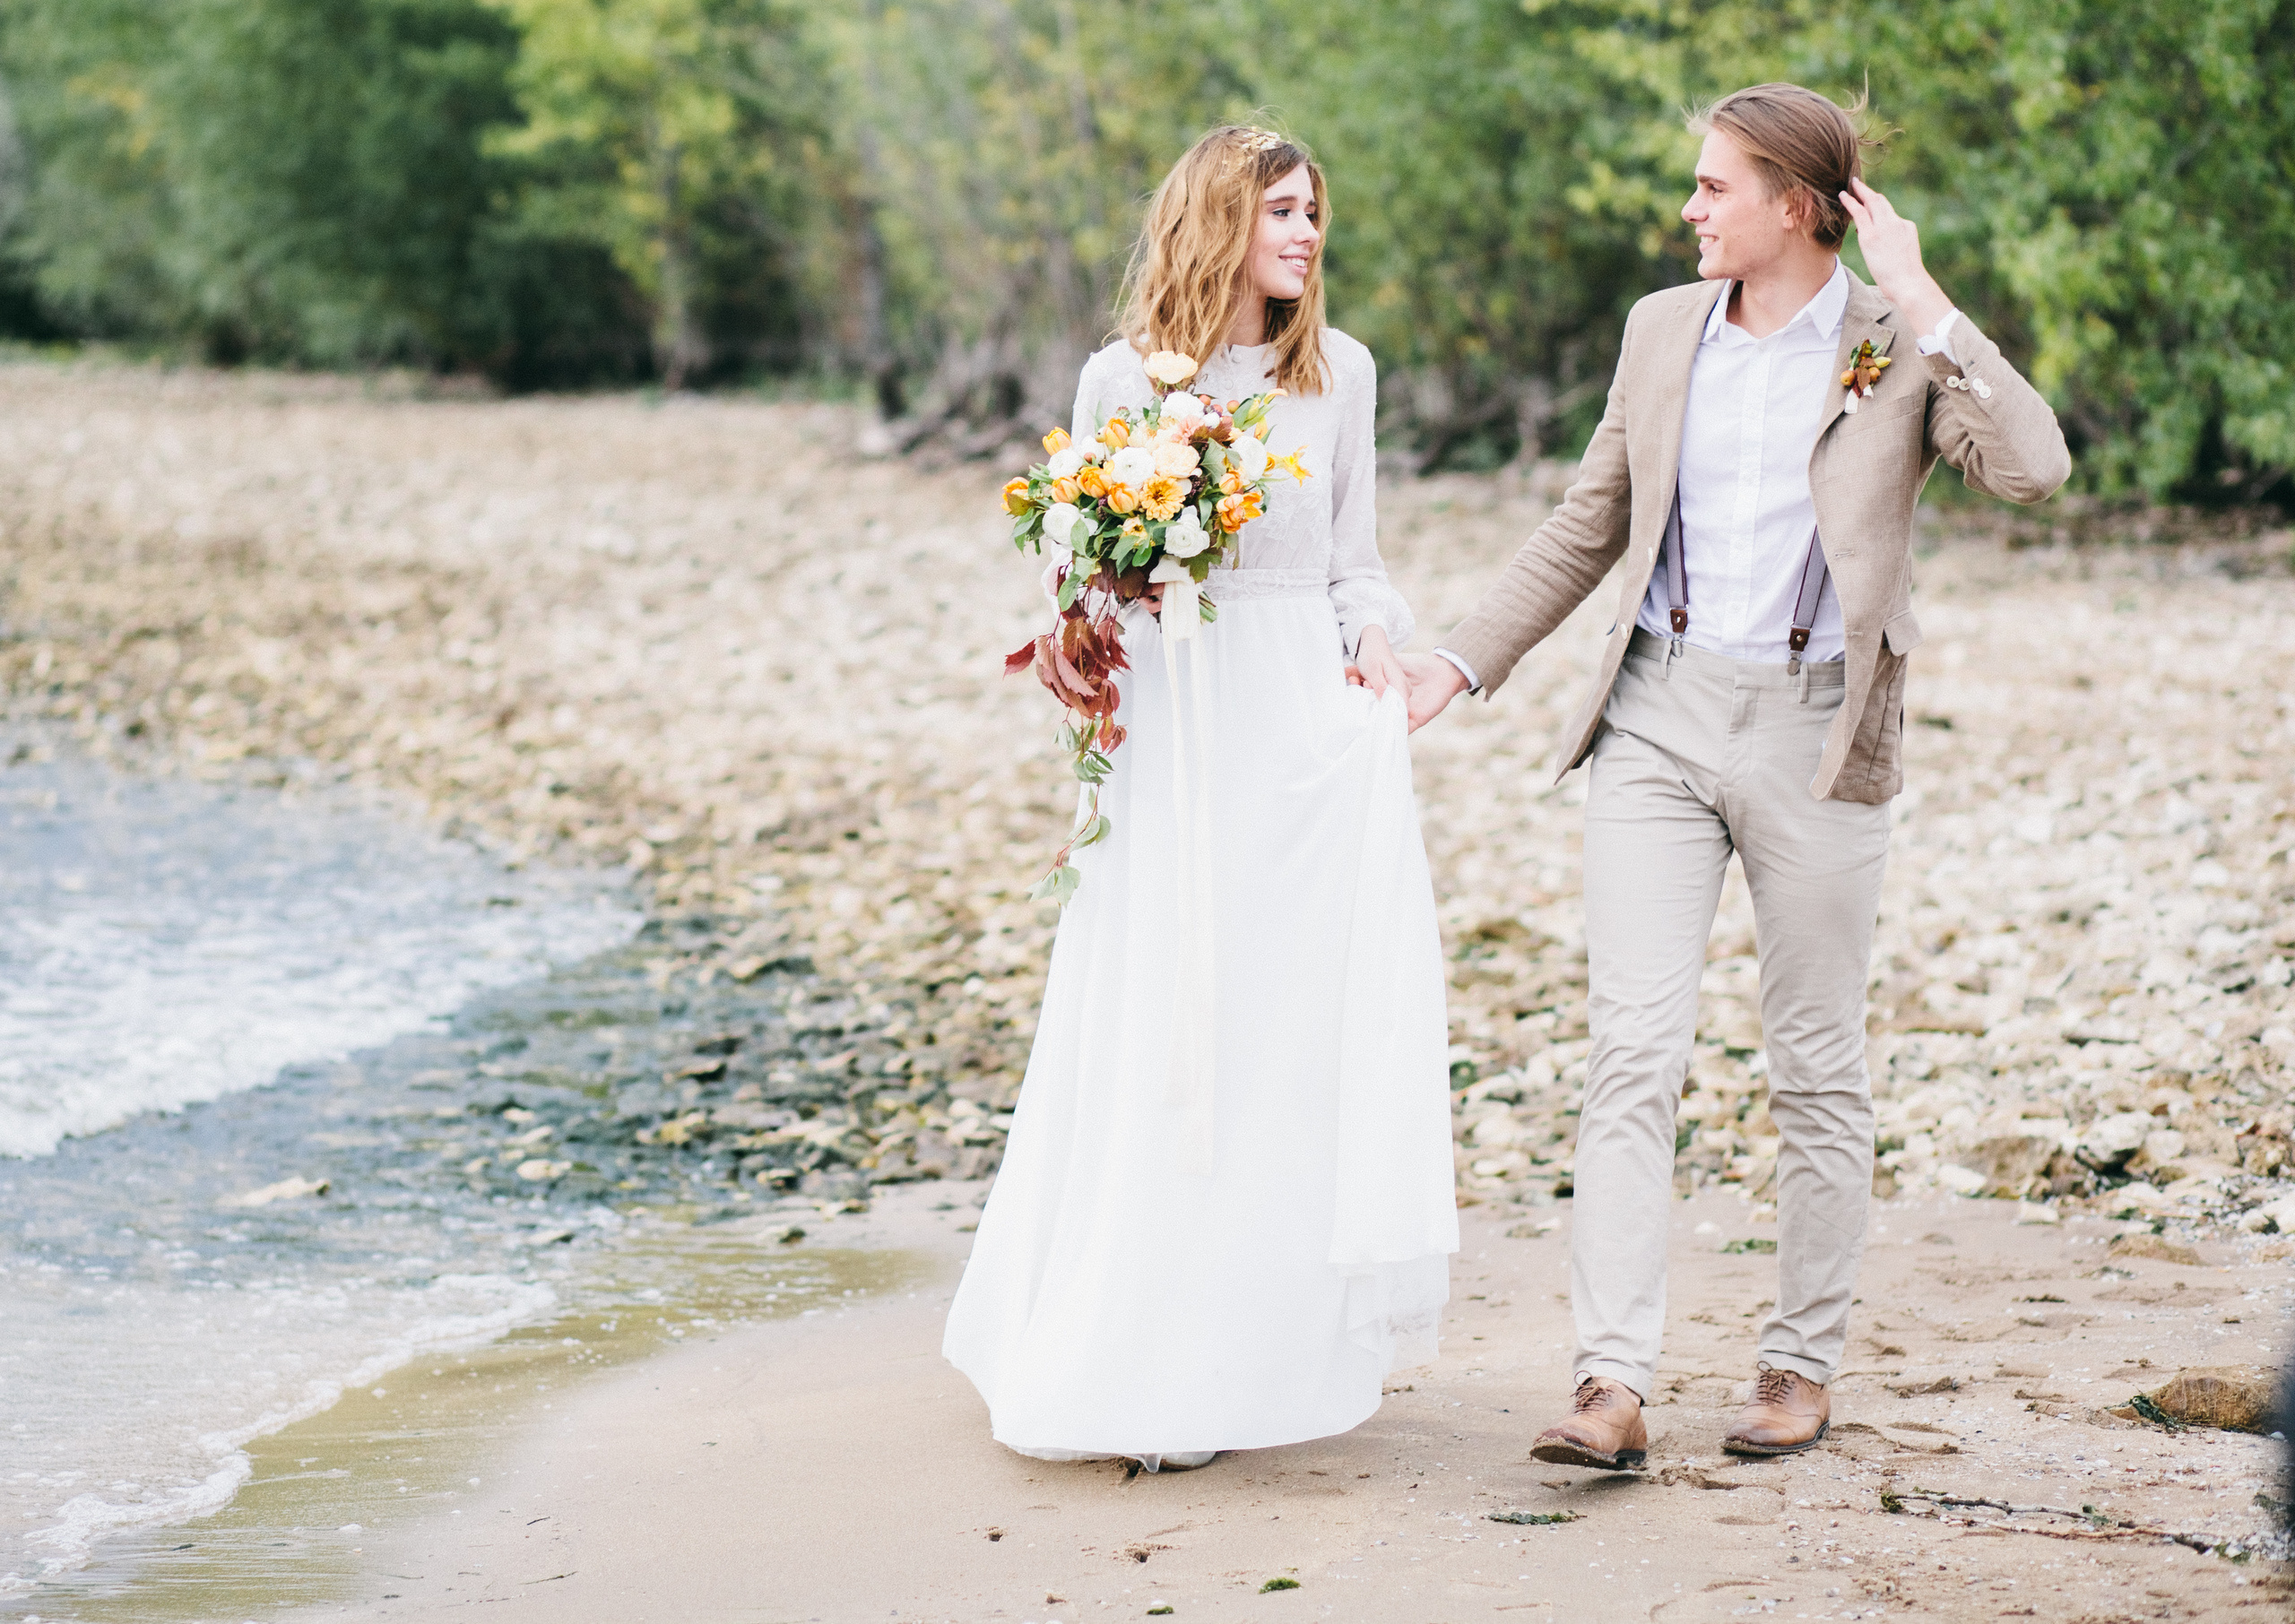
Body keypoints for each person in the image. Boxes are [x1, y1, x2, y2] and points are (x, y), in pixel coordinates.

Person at [1403, 83, 2069, 1468]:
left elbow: (2035, 469)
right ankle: (1610, 1385)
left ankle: (1797, 1365)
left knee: (1817, 1065)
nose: (1691, 209)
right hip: (1656, 711)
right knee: (1629, 1051)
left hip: (1819, 730)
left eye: (1715, 188)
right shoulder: (1661, 330)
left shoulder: (1893, 343)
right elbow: (1590, 520)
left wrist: (1930, 300)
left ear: (1798, 207)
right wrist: (1458, 663)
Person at [942, 125, 1459, 1473]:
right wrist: (1084, 615)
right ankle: (1144, 1340)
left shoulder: (1339, 371)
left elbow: (1357, 560)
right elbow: (1085, 575)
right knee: (1168, 999)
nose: (1306, 234)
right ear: (1218, 221)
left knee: (1283, 1016)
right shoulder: (1122, 376)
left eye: (1313, 213)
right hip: (1179, 716)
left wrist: (1377, 644)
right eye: (1282, 211)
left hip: (1297, 717)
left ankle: (1264, 1338)